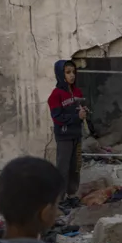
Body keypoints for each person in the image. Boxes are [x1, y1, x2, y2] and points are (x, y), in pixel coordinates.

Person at [47, 60, 87, 202]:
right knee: (63, 168)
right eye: (68, 72)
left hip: (77, 135)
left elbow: (79, 109)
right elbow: (57, 117)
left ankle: (72, 195)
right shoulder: (56, 95)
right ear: (60, 74)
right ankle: (59, 199)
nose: (72, 75)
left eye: (73, 72)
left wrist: (83, 111)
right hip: (64, 137)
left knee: (75, 167)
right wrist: (76, 117)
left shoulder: (77, 92)